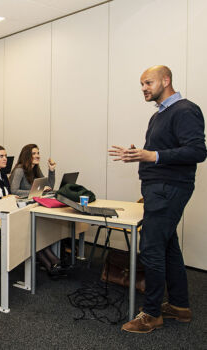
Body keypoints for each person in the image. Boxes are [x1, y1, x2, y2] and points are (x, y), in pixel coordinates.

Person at [109, 65, 206, 333]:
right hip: (158, 188)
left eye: (148, 83)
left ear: (166, 80)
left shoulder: (185, 109)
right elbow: (160, 151)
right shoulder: (159, 116)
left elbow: (197, 151)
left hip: (169, 188)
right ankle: (179, 306)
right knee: (168, 247)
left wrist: (151, 156)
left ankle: (151, 315)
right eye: (141, 84)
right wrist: (139, 155)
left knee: (151, 249)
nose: (144, 88)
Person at [9, 143, 63, 277]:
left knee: (39, 233)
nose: (37, 155)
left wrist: (52, 170)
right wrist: (34, 192)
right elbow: (14, 190)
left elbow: (49, 186)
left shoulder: (35, 170)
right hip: (20, 208)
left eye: (38, 153)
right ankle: (53, 263)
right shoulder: (20, 170)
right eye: (34, 153)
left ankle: (53, 264)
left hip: (32, 206)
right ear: (27, 155)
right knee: (35, 233)